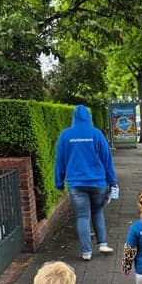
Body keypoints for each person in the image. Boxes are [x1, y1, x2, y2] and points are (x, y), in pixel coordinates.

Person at [54, 104, 118, 261]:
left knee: (82, 216)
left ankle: (86, 252)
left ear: (74, 117)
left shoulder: (65, 135)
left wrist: (59, 182)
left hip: (76, 183)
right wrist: (112, 181)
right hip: (98, 182)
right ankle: (102, 244)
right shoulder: (96, 134)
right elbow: (107, 159)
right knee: (97, 211)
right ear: (89, 117)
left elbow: (60, 161)